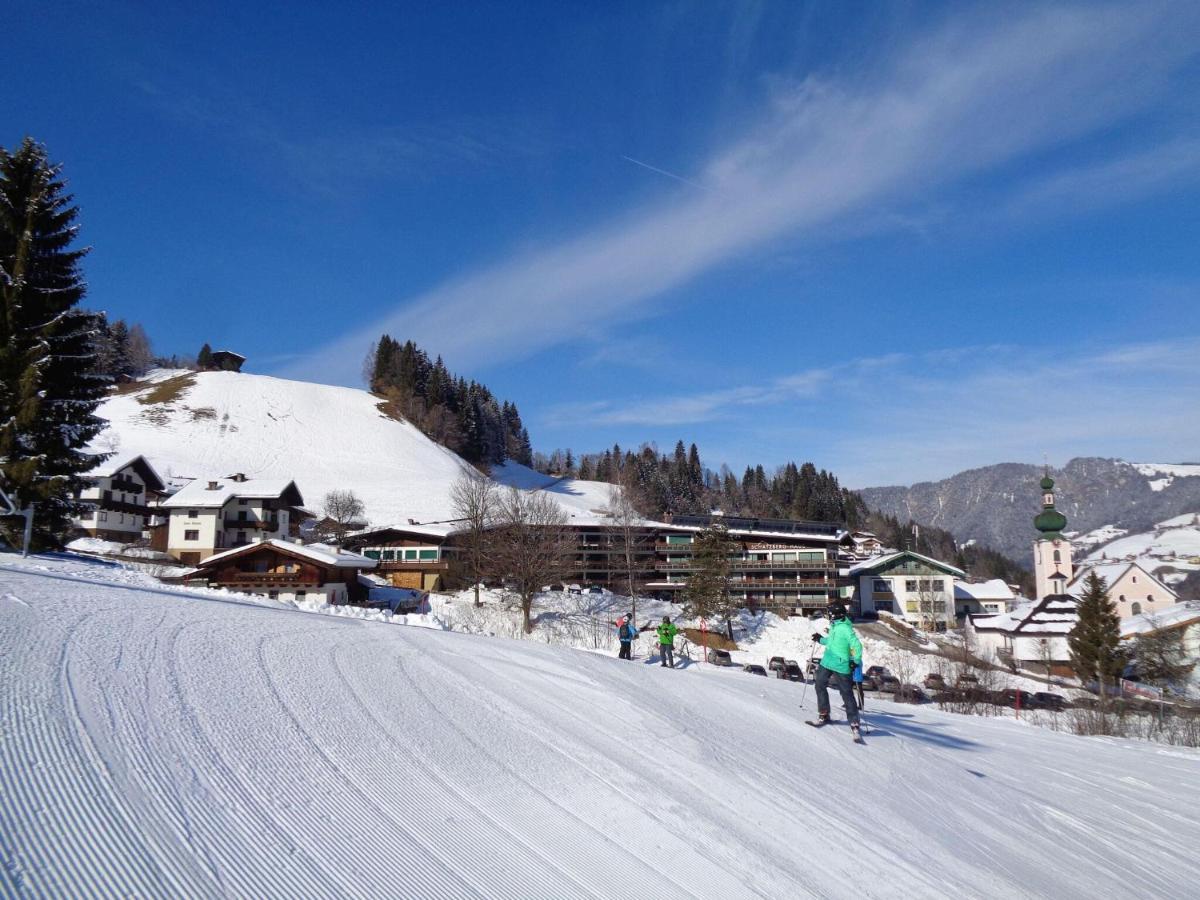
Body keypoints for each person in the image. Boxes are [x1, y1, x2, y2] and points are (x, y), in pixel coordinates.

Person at [810, 601, 863, 737]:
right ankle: (824, 713)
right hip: (827, 661)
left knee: (846, 693)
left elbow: (856, 646)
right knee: (819, 685)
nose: (828, 615)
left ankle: (854, 722)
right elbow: (831, 642)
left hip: (841, 664)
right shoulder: (834, 626)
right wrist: (820, 639)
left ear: (836, 614)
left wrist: (854, 661)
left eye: (830, 613)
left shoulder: (845, 628)